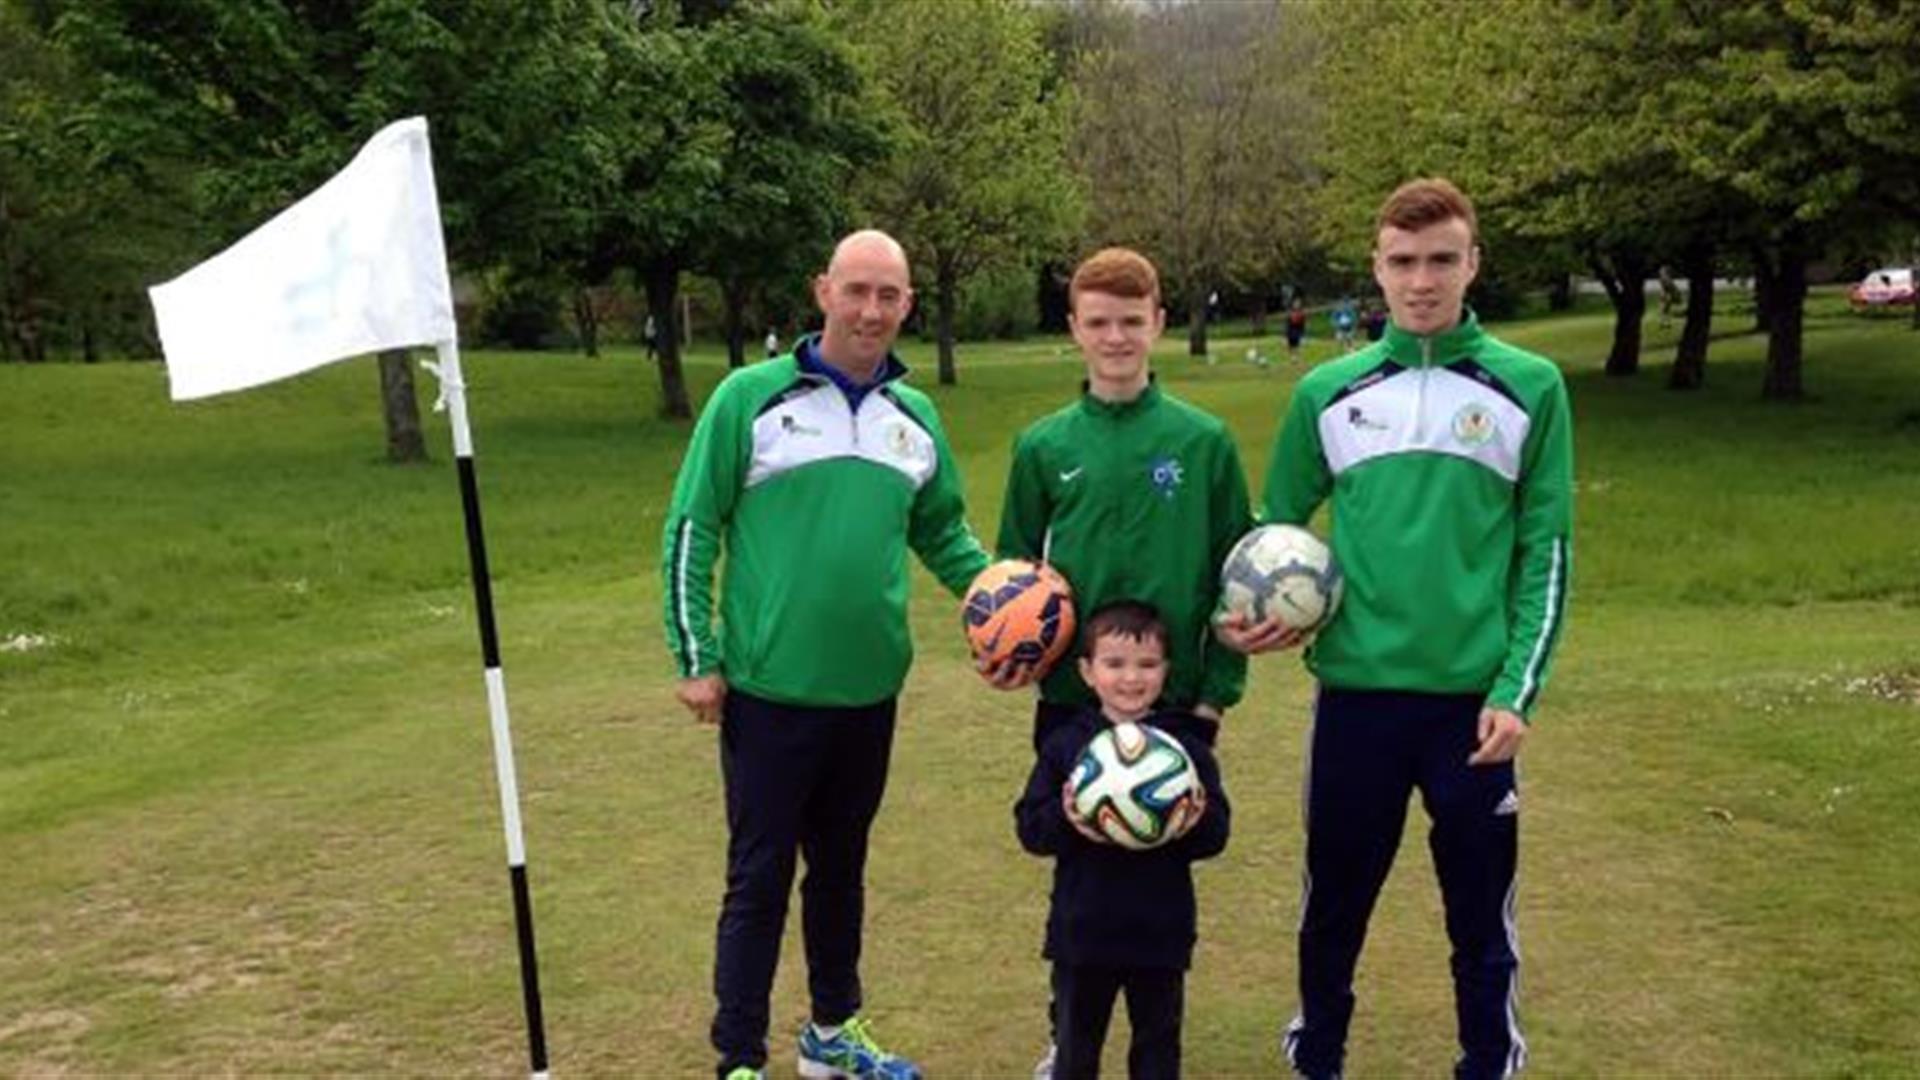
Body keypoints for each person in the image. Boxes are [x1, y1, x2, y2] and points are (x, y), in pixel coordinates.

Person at [1218, 178, 1574, 1080]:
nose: (1423, 281)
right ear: (1376, 268)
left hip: (1470, 710)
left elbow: (1546, 554)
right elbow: (1275, 530)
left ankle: (1487, 1061)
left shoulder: (1532, 388)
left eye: (1442, 260)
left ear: (1472, 263)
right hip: (1357, 702)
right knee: (1334, 903)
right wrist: (1256, 616)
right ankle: (1319, 1055)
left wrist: (1515, 692)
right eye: (1404, 262)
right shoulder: (1328, 393)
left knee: (1477, 912)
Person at [662, 229, 991, 1080]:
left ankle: (832, 1037)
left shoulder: (914, 419)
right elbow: (693, 528)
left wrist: (1001, 595)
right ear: (823, 292)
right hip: (772, 692)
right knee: (760, 878)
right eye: (857, 290)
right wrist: (696, 655)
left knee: (841, 874)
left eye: (889, 295)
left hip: (868, 691)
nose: (872, 309)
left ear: (908, 304)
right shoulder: (749, 398)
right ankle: (739, 1056)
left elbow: (943, 531)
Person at [992, 246, 1252, 1077]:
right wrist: (1009, 655)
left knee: (1161, 874)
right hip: (1074, 702)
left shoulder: (1204, 443)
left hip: (1173, 702)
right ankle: (1070, 1035)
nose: (1115, 338)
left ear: (1159, 325)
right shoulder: (1043, 447)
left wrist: (1216, 694)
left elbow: (1235, 576)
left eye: (1130, 322)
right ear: (1073, 328)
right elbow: (1009, 576)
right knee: (1080, 873)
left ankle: (1155, 1041)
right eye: (1098, 322)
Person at [1014, 601, 1231, 1080]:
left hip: (1161, 931)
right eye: (1114, 664)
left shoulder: (1185, 750)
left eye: (1147, 665)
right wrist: (1069, 817)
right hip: (1083, 931)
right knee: (1075, 1052)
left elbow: (1217, 834)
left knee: (1157, 1052)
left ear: (1166, 671)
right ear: (1087, 672)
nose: (1131, 679)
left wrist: (1191, 817)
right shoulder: (1068, 744)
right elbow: (1030, 827)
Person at [1285, 297, 1308, 362]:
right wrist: (1286, 334)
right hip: (1291, 330)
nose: (1297, 305)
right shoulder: (1290, 313)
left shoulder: (1302, 313)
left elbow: (1303, 325)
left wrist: (1303, 334)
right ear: (1293, 305)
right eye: (1295, 304)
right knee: (1290, 345)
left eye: (1298, 304)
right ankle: (1292, 357)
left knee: (1298, 344)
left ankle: (1297, 357)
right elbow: (1287, 324)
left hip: (1298, 330)